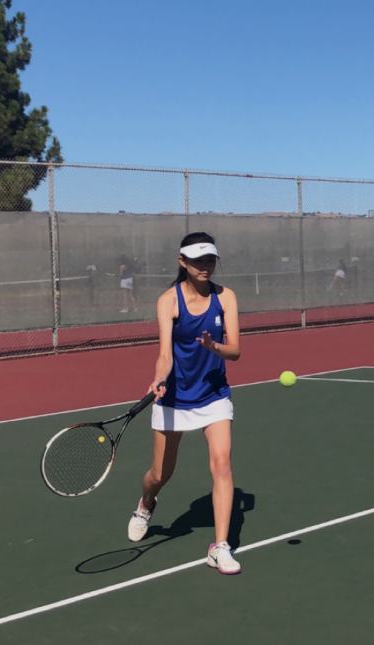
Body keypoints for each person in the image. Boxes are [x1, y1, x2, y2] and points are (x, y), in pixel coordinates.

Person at [129, 232, 242, 575]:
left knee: (221, 464)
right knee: (160, 473)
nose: (205, 266)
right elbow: (164, 355)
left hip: (214, 395)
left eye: (210, 260)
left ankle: (219, 547)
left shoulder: (226, 298)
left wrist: (214, 347)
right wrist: (159, 378)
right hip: (175, 397)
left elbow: (235, 351)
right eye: (197, 261)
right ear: (182, 262)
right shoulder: (169, 300)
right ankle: (146, 503)